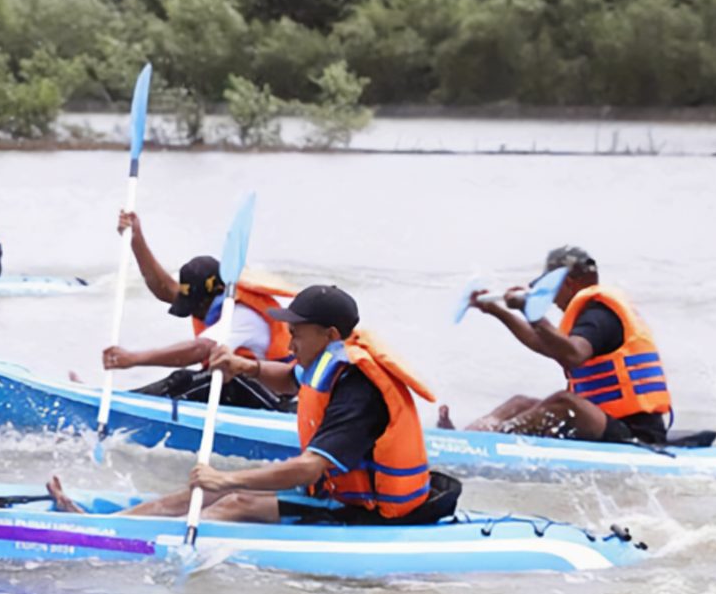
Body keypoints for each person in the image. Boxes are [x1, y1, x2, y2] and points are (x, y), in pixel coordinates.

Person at [49, 284, 460, 525]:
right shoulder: (330, 358)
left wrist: (229, 480)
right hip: (336, 492)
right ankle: (112, 526)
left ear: (330, 333)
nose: (290, 337)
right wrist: (243, 366)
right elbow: (289, 378)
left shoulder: (360, 390)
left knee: (234, 500)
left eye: (297, 331)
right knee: (197, 490)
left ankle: (126, 540)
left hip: (371, 512)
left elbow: (311, 466)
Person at [439, 245, 672, 443]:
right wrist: (496, 311)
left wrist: (532, 314)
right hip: (605, 420)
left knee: (565, 402)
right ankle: (467, 440)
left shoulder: (598, 315)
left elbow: (573, 356)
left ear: (568, 283)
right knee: (520, 402)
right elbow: (543, 343)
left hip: (634, 433)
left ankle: (491, 444)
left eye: (551, 290)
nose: (551, 300)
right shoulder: (590, 314)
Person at [106, 210, 295, 410]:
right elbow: (165, 290)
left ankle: (116, 406)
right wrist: (136, 240)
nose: (194, 313)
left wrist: (133, 358)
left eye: (197, 306)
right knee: (204, 377)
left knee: (189, 380)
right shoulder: (210, 300)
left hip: (275, 400)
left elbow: (199, 349)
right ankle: (116, 402)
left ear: (215, 294)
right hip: (250, 390)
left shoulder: (243, 314)